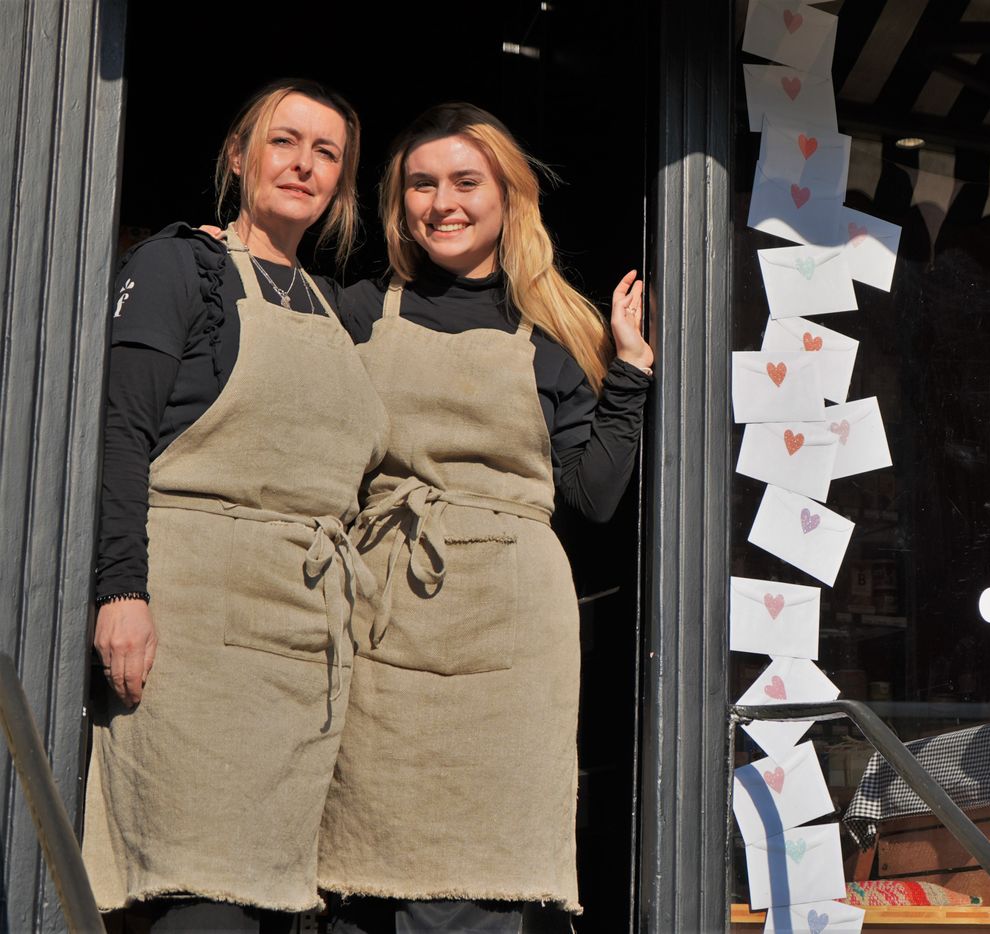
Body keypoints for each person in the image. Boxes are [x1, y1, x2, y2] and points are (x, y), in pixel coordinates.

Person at [318, 103, 652, 931]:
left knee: (477, 885)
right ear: (400, 205)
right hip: (382, 622)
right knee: (363, 870)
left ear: (509, 198)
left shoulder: (552, 335)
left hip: (510, 642)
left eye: (466, 182)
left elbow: (592, 497)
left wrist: (632, 372)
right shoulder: (356, 313)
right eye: (421, 185)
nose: (443, 202)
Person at [83, 80, 387, 931]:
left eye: (327, 153)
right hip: (197, 637)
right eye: (284, 141)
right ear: (238, 156)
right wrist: (121, 593)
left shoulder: (338, 307)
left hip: (301, 657)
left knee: (272, 902)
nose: (303, 164)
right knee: (200, 895)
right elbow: (122, 437)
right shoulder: (183, 266)